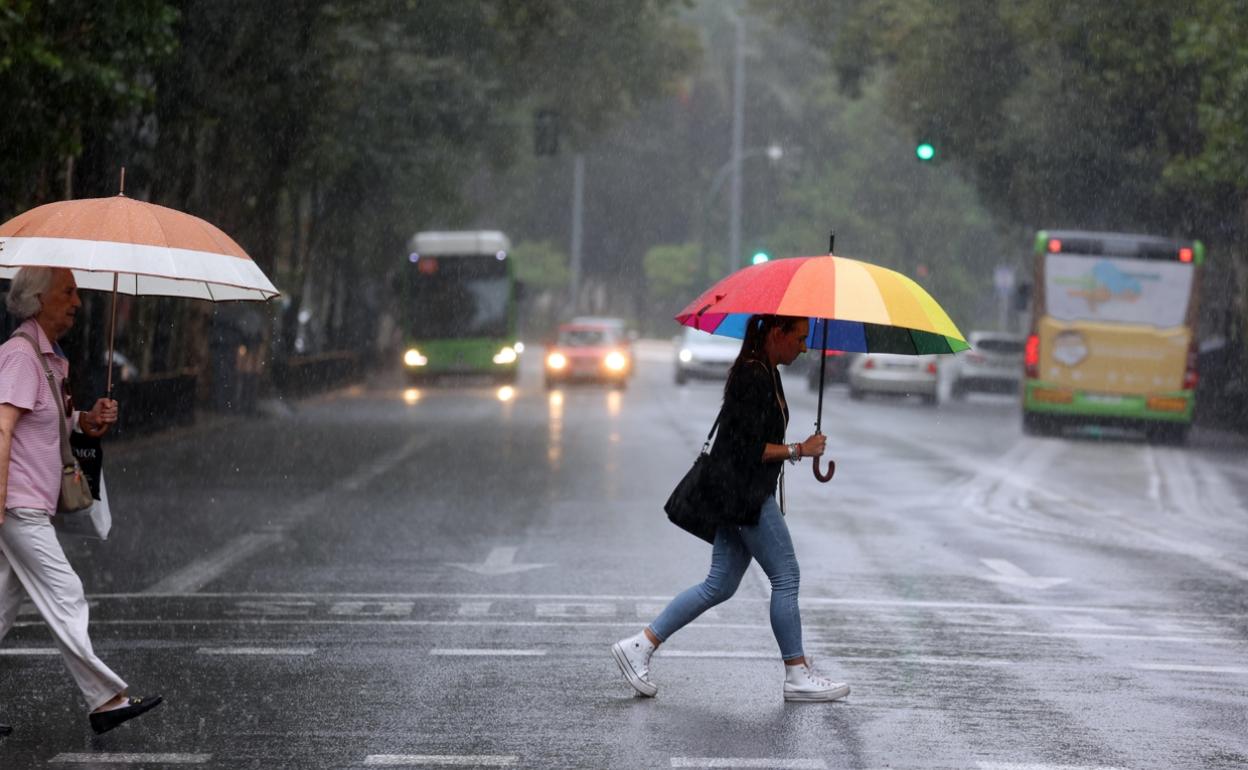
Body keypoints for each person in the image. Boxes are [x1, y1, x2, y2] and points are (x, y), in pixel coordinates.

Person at [612, 314, 850, 702]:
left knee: (719, 584)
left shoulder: (763, 371)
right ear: (778, 332)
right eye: (800, 337)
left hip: (735, 493)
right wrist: (799, 450)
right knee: (787, 576)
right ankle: (797, 673)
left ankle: (640, 645)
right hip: (744, 495)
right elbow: (747, 449)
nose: (805, 346)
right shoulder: (752, 376)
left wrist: (797, 448)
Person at [0, 267, 163, 735]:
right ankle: (104, 699)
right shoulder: (18, 356)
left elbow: (51, 421)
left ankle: (103, 700)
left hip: (30, 502)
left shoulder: (49, 357)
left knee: (2, 605)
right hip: (16, 504)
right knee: (66, 593)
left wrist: (87, 419)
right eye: (66, 292)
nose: (77, 302)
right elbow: (4, 426)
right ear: (36, 298)